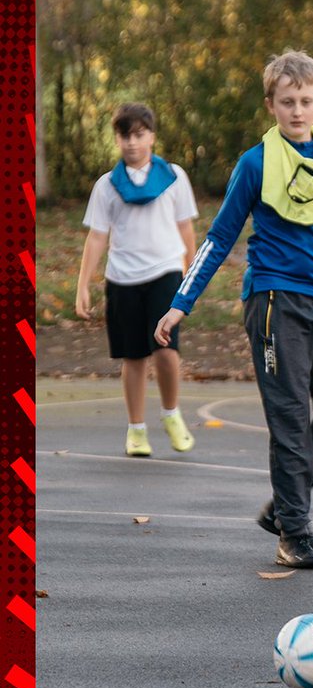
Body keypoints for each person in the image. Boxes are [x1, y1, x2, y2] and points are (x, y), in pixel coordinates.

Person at [155, 51, 313, 570]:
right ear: (271, 105)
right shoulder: (255, 163)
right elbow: (220, 236)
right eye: (286, 102)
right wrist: (182, 302)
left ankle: (284, 505)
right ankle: (293, 531)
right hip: (274, 302)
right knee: (291, 418)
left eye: (305, 101)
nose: (297, 111)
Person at [76, 102, 198, 458]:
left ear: (152, 137)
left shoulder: (174, 176)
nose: (132, 143)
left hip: (165, 272)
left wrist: (190, 274)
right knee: (133, 357)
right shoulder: (107, 186)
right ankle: (136, 430)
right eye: (124, 136)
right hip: (123, 278)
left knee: (165, 350)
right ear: (117, 139)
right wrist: (83, 284)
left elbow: (185, 228)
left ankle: (172, 413)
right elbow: (97, 236)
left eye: (139, 135)